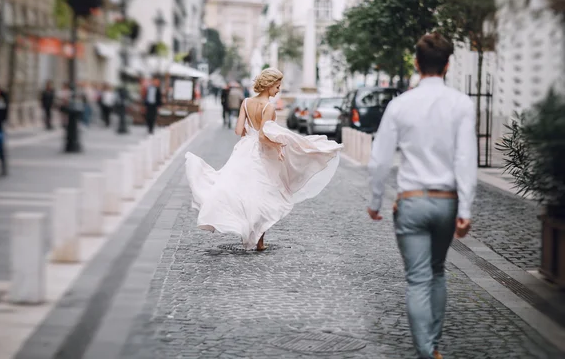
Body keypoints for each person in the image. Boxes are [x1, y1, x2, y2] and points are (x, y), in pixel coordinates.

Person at [367, 33, 477, 359]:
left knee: (417, 280)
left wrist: (375, 201)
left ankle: (427, 352)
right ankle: (434, 345)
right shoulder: (462, 104)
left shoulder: (400, 105)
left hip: (412, 201)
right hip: (447, 201)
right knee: (438, 272)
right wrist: (466, 208)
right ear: (448, 65)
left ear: (416, 63)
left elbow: (380, 160)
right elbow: (465, 159)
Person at [185, 68, 343, 251]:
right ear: (269, 85)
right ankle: (259, 241)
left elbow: (238, 131)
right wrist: (278, 146)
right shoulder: (268, 107)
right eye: (277, 86)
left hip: (244, 150)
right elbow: (262, 136)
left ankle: (248, 233)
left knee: (241, 190)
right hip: (261, 153)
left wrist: (249, 132)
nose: (278, 90)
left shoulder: (246, 102)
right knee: (264, 193)